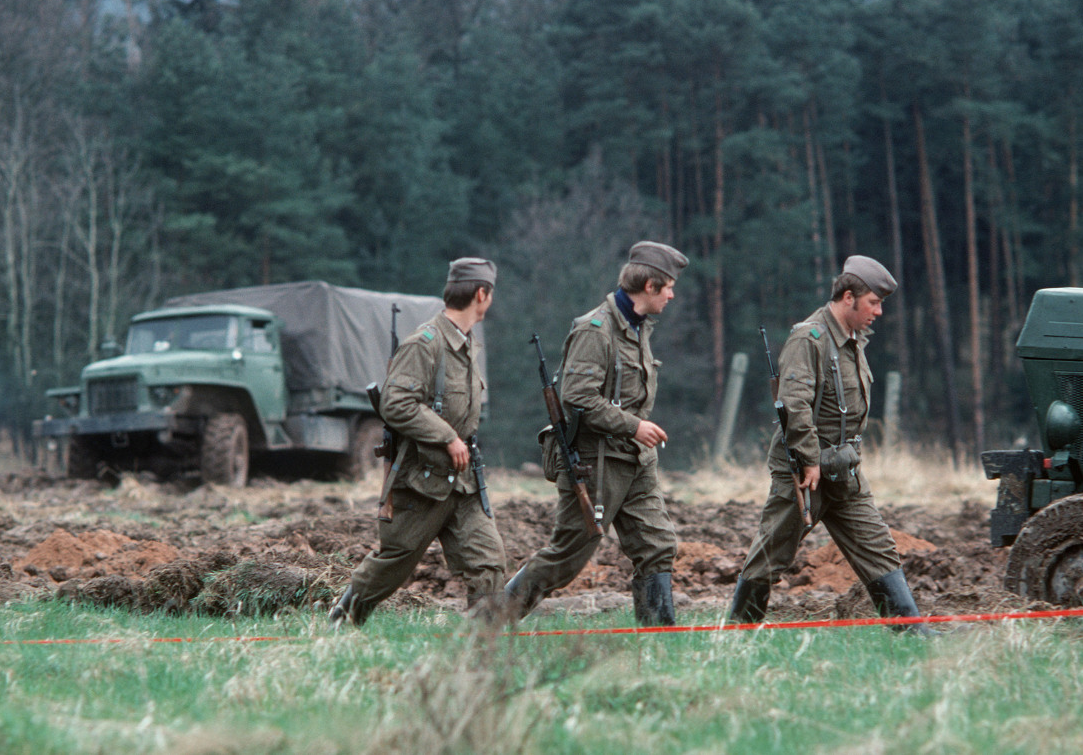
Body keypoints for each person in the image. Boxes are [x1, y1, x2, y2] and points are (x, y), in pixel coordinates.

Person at [727, 255, 936, 635]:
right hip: (806, 471)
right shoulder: (810, 338)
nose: (879, 311)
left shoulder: (853, 340)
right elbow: (794, 405)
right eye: (873, 302)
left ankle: (911, 632)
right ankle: (736, 636)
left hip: (844, 468)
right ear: (846, 297)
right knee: (773, 554)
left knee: (877, 547)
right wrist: (808, 461)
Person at [504, 240, 688, 625]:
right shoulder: (596, 330)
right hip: (596, 461)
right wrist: (634, 426)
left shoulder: (637, 328)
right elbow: (578, 396)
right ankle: (487, 624)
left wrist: (635, 433)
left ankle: (660, 642)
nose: (673, 294)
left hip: (634, 461)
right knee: (568, 555)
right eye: (668, 286)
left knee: (658, 545)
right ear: (650, 286)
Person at [329, 258, 505, 627]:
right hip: (422, 479)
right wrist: (447, 437)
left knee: (488, 561)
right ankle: (342, 622)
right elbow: (396, 403)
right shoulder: (426, 343)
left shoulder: (469, 346)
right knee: (395, 562)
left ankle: (483, 647)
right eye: (491, 293)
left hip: (464, 480)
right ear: (481, 294)